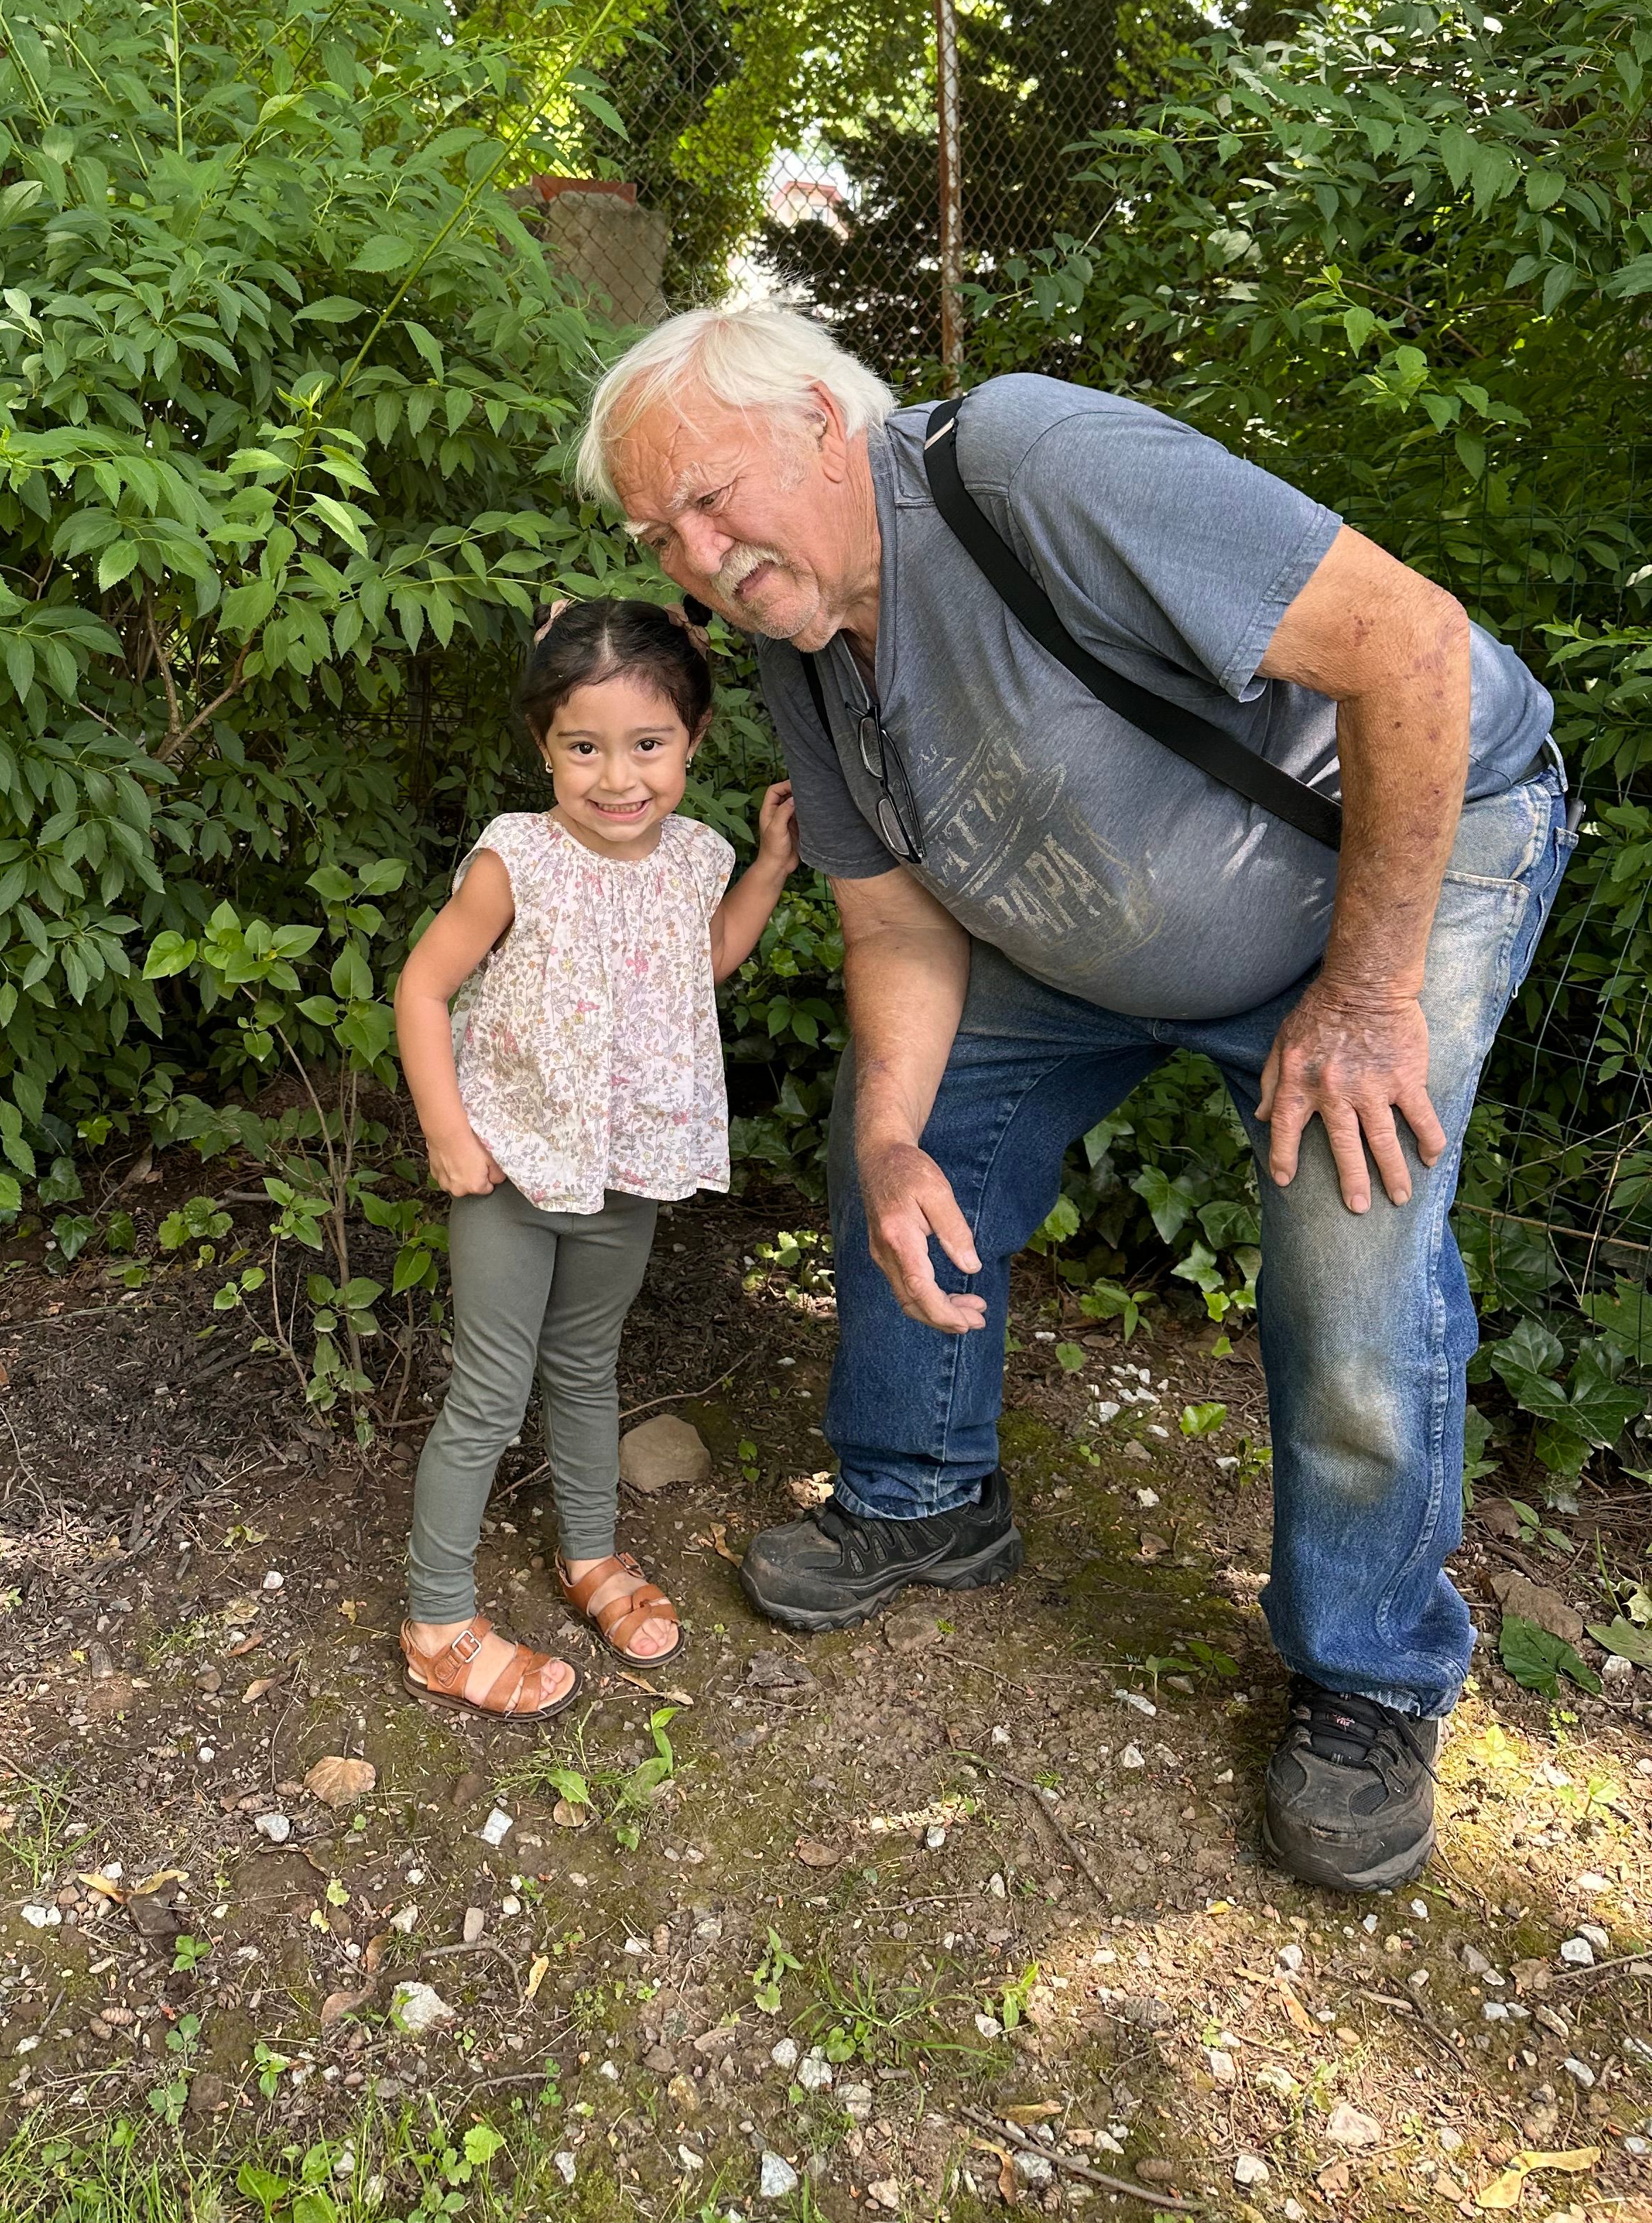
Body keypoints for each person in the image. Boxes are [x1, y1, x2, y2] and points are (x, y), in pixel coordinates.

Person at [576, 302, 1572, 1892]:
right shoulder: (798, 629)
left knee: (1350, 1238)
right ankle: (922, 1496)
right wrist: (897, 1139)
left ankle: (1372, 1675)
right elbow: (897, 917)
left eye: (710, 497)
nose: (696, 555)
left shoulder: (1034, 463)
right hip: (1085, 920)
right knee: (900, 1136)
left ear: (826, 425)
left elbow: (1411, 647)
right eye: (658, 534)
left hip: (1389, 868)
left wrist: (1372, 995)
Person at [393, 597, 800, 1720]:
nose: (617, 777)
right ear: (545, 747)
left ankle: (588, 1555)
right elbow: (424, 989)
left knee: (585, 1367)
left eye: (647, 744)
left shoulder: (695, 858)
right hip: (512, 1176)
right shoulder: (514, 859)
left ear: (695, 739)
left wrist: (765, 872)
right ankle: (436, 1618)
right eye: (584, 747)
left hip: (625, 1170)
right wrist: (448, 1131)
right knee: (488, 1390)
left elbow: (693, 970)